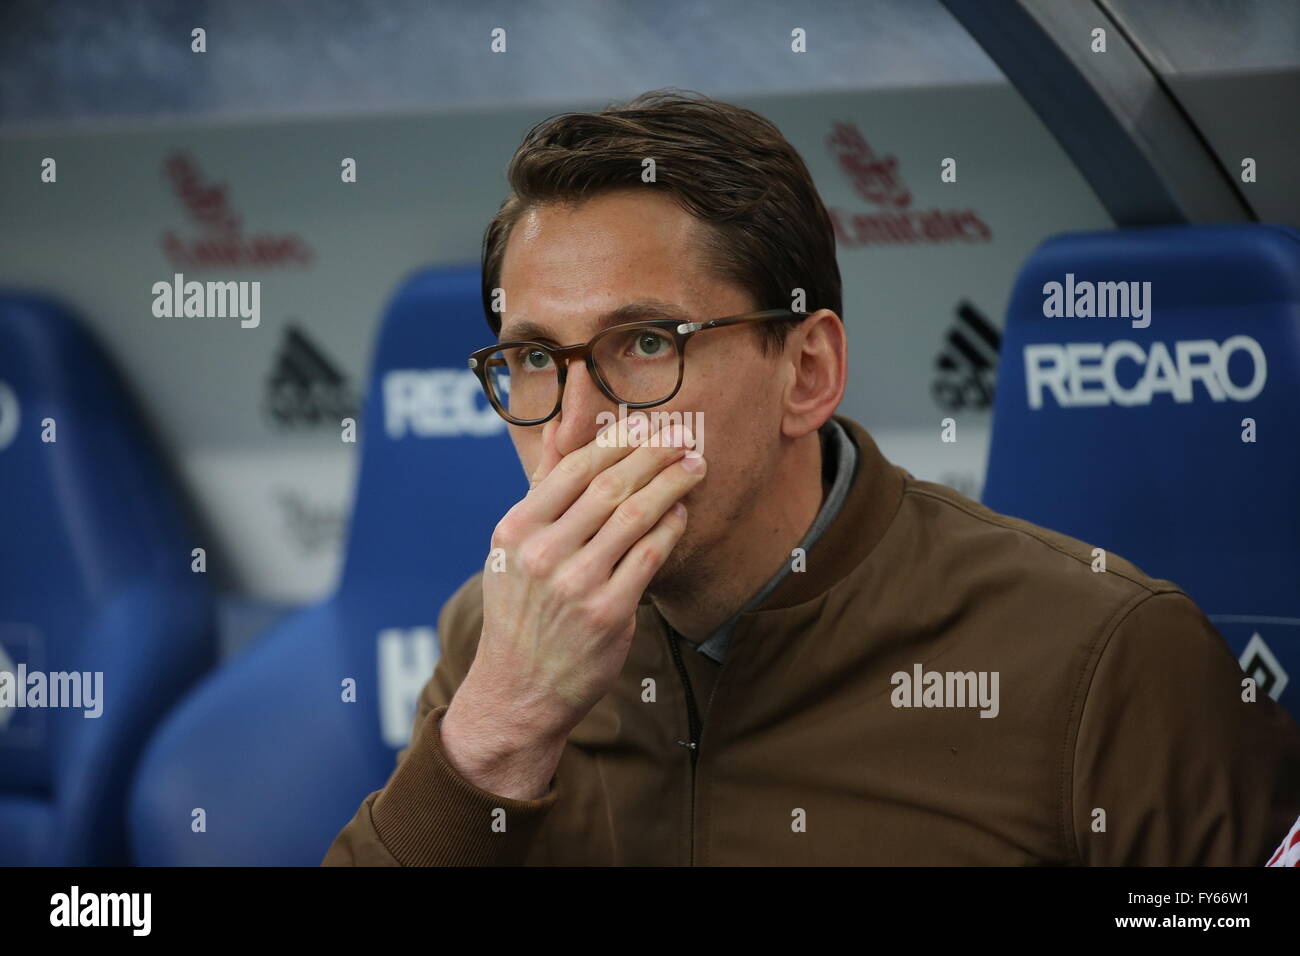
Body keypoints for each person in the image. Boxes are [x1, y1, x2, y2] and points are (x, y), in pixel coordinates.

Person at [323, 89, 1300, 865]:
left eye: (647, 341)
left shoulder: (1107, 657)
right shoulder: (493, 634)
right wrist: (493, 735)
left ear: (807, 373)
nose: (575, 425)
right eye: (535, 358)